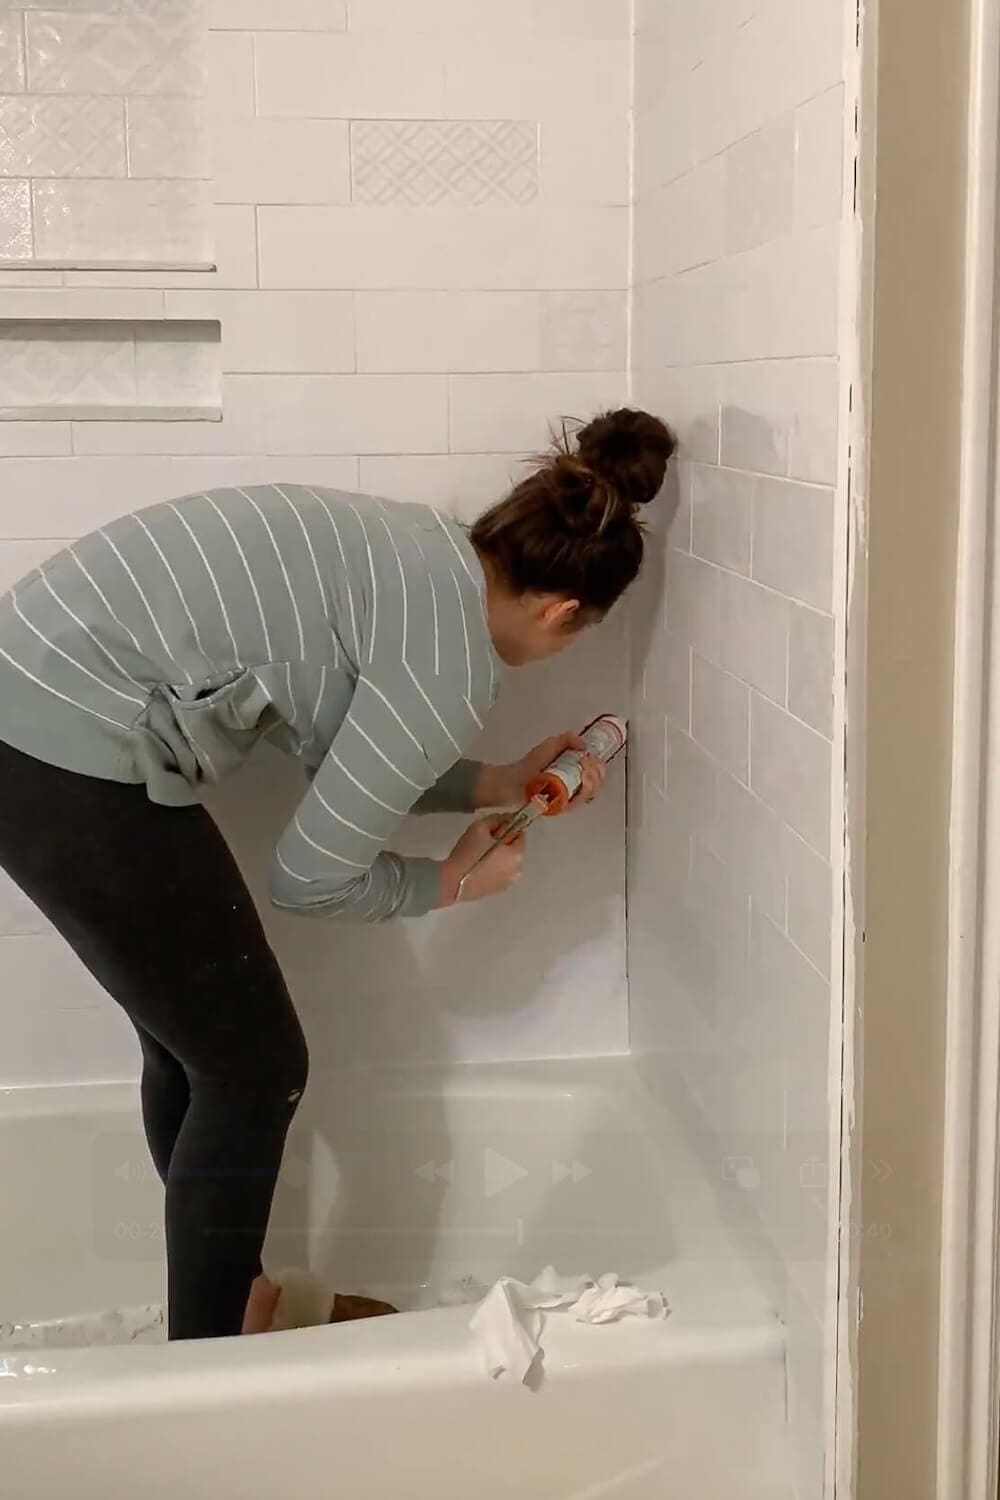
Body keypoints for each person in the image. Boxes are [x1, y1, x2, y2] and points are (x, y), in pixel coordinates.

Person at [0, 407, 675, 1341]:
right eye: (574, 636)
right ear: (565, 613)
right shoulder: (450, 665)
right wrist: (451, 885)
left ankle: (234, 1301)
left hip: (31, 708)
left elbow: (345, 751)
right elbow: (310, 877)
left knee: (202, 1050)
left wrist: (500, 780)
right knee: (254, 1066)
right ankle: (210, 1366)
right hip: (65, 749)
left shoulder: (420, 553)